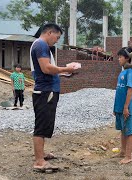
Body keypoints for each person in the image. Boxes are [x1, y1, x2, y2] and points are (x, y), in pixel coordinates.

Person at [30, 23, 75, 172]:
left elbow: (46, 70)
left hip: (46, 90)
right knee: (41, 126)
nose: (57, 40)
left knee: (44, 124)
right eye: (57, 37)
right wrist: (66, 68)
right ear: (50, 33)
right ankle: (39, 161)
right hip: (45, 91)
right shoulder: (41, 45)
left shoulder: (40, 45)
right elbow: (46, 68)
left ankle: (41, 155)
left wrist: (63, 73)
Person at [113, 47, 132, 164]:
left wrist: (126, 107)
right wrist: (116, 108)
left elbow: (130, 90)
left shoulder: (131, 72)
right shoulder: (123, 72)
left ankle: (128, 156)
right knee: (123, 129)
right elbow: (119, 91)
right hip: (120, 107)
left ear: (127, 58)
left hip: (127, 108)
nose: (119, 59)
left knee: (129, 131)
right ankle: (123, 152)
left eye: (120, 57)